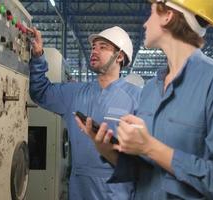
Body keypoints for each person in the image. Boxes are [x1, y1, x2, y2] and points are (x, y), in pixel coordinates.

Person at [77, 0, 213, 199]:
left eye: (151, 12)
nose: (145, 24)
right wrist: (108, 150)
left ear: (167, 15)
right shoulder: (151, 89)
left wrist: (150, 147)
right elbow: (145, 172)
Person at [29, 26, 141, 200]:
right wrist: (38, 56)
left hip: (117, 192)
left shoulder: (136, 98)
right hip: (79, 190)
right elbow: (40, 92)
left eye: (102, 47)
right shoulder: (75, 93)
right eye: (93, 47)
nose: (94, 51)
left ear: (119, 57)